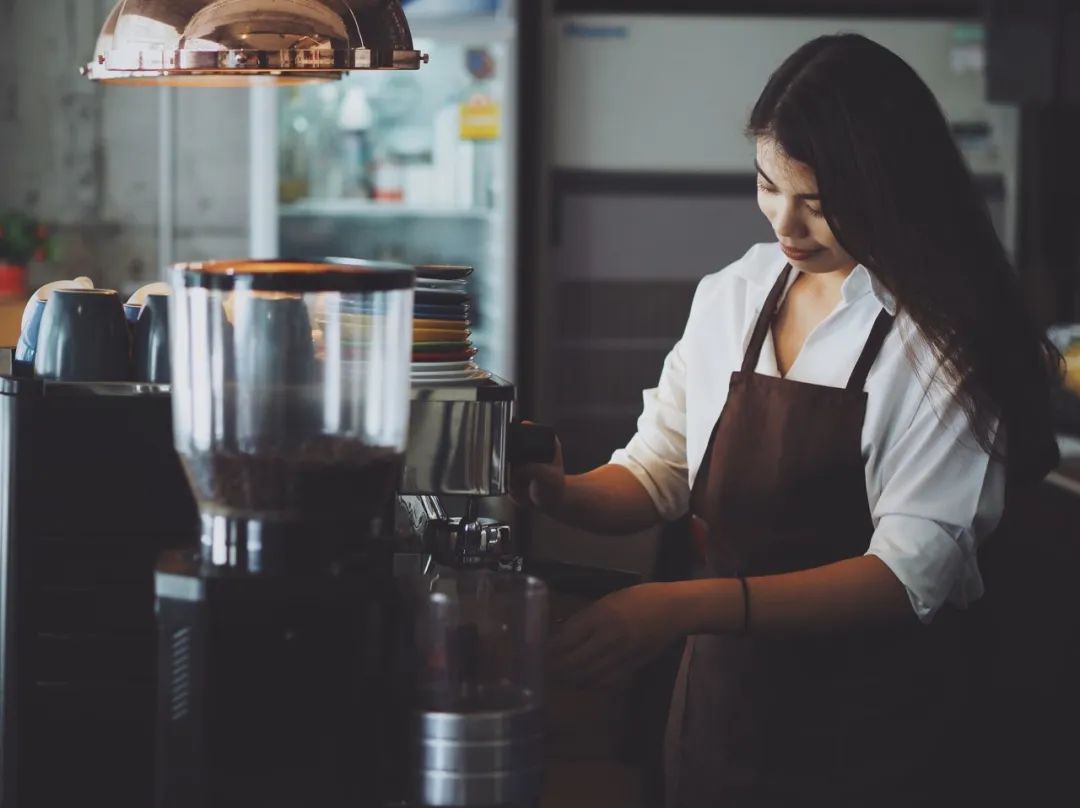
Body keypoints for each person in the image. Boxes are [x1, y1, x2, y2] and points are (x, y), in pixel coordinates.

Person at [512, 33, 1061, 807]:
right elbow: (658, 471)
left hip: (878, 737)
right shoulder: (735, 292)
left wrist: (681, 605)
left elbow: (908, 576)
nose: (786, 224)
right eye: (769, 185)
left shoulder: (945, 342)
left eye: (818, 202)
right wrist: (559, 493)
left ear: (889, 187)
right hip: (723, 721)